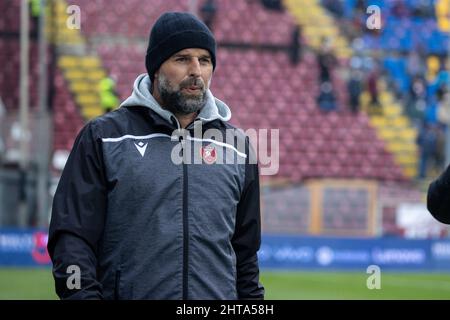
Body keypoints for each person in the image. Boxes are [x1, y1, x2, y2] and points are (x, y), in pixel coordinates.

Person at [47, 12, 265, 300]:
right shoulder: (104, 137)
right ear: (155, 68)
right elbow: (71, 239)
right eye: (182, 59)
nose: (196, 71)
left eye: (205, 60)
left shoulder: (237, 147)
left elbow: (245, 256)